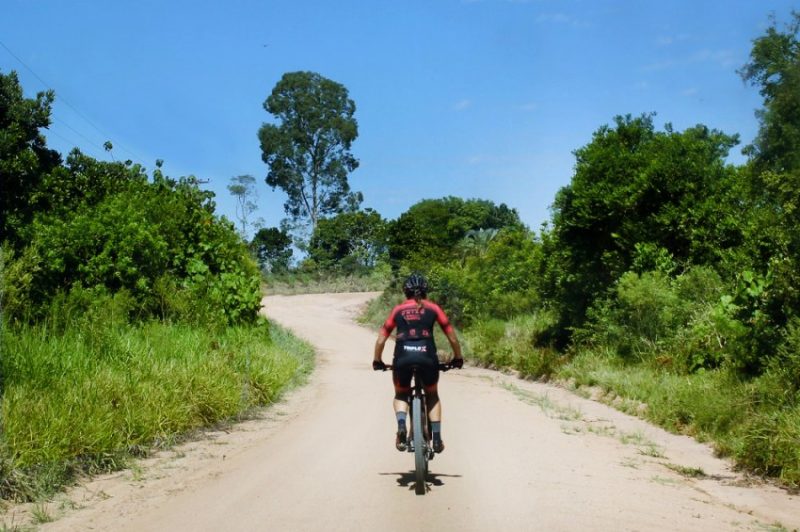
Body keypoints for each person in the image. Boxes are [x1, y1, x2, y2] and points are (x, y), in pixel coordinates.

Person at [373, 273, 463, 453]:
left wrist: (378, 360)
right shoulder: (434, 308)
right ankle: (436, 438)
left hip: (402, 357)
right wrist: (457, 357)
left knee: (400, 394)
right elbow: (452, 336)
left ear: (405, 292)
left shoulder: (398, 310)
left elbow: (381, 340)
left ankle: (401, 425)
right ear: (425, 291)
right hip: (427, 356)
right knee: (432, 395)